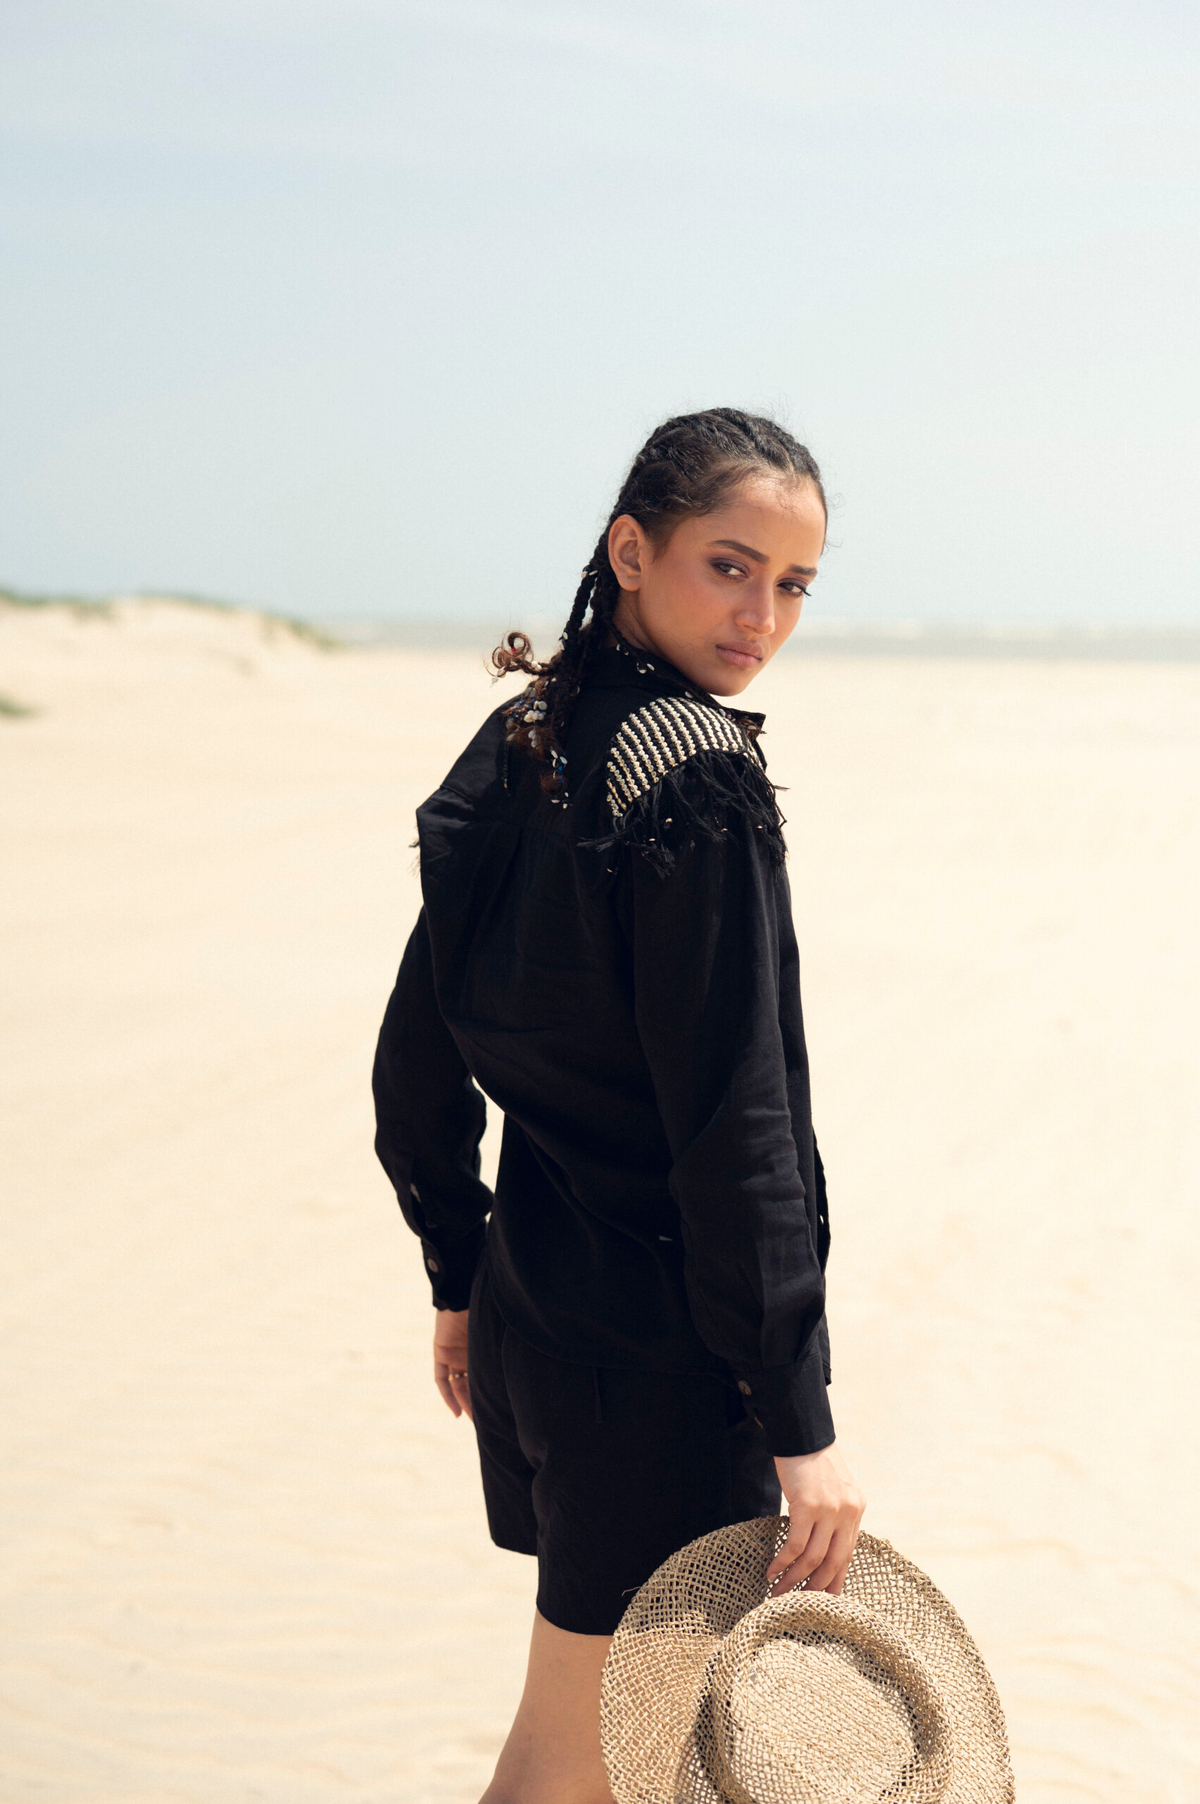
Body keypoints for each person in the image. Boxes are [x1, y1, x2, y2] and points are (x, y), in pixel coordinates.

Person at [373, 407, 865, 1804]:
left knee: (593, 1756)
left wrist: (461, 1274)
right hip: (658, 1360)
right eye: (730, 566)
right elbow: (737, 1126)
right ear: (631, 551)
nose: (761, 616)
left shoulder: (524, 739)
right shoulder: (697, 773)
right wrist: (800, 1416)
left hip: (537, 1323)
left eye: (793, 584)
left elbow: (415, 1061)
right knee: (586, 1766)